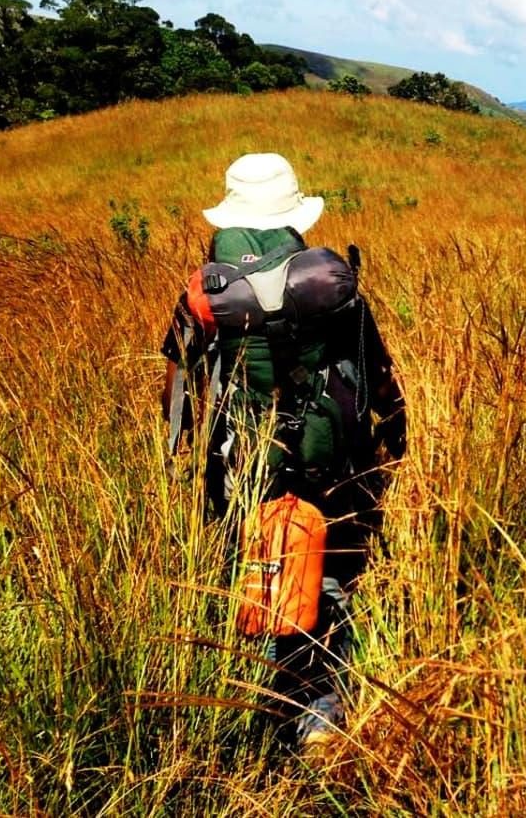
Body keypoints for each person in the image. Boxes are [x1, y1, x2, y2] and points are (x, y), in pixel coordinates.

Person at [160, 152, 406, 747]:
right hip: (332, 449)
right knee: (333, 567)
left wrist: (181, 453)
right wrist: (394, 440)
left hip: (243, 455)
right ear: (294, 214)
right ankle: (322, 704)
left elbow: (177, 386)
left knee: (259, 560)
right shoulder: (331, 283)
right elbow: (376, 375)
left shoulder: (205, 291)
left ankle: (261, 698)